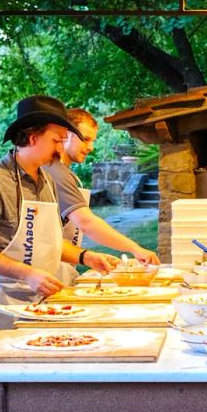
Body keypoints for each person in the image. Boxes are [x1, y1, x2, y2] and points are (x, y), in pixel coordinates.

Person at [0, 95, 119, 351]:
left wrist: (86, 257)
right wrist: (28, 274)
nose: (60, 148)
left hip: (41, 301)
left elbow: (49, 244)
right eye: (56, 140)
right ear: (33, 137)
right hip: (1, 304)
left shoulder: (47, 180)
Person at [44, 108, 160, 284]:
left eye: (93, 140)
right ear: (65, 134)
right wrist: (136, 249)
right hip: (44, 275)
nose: (90, 147)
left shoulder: (64, 173)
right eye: (86, 139)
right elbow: (87, 223)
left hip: (61, 269)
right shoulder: (56, 172)